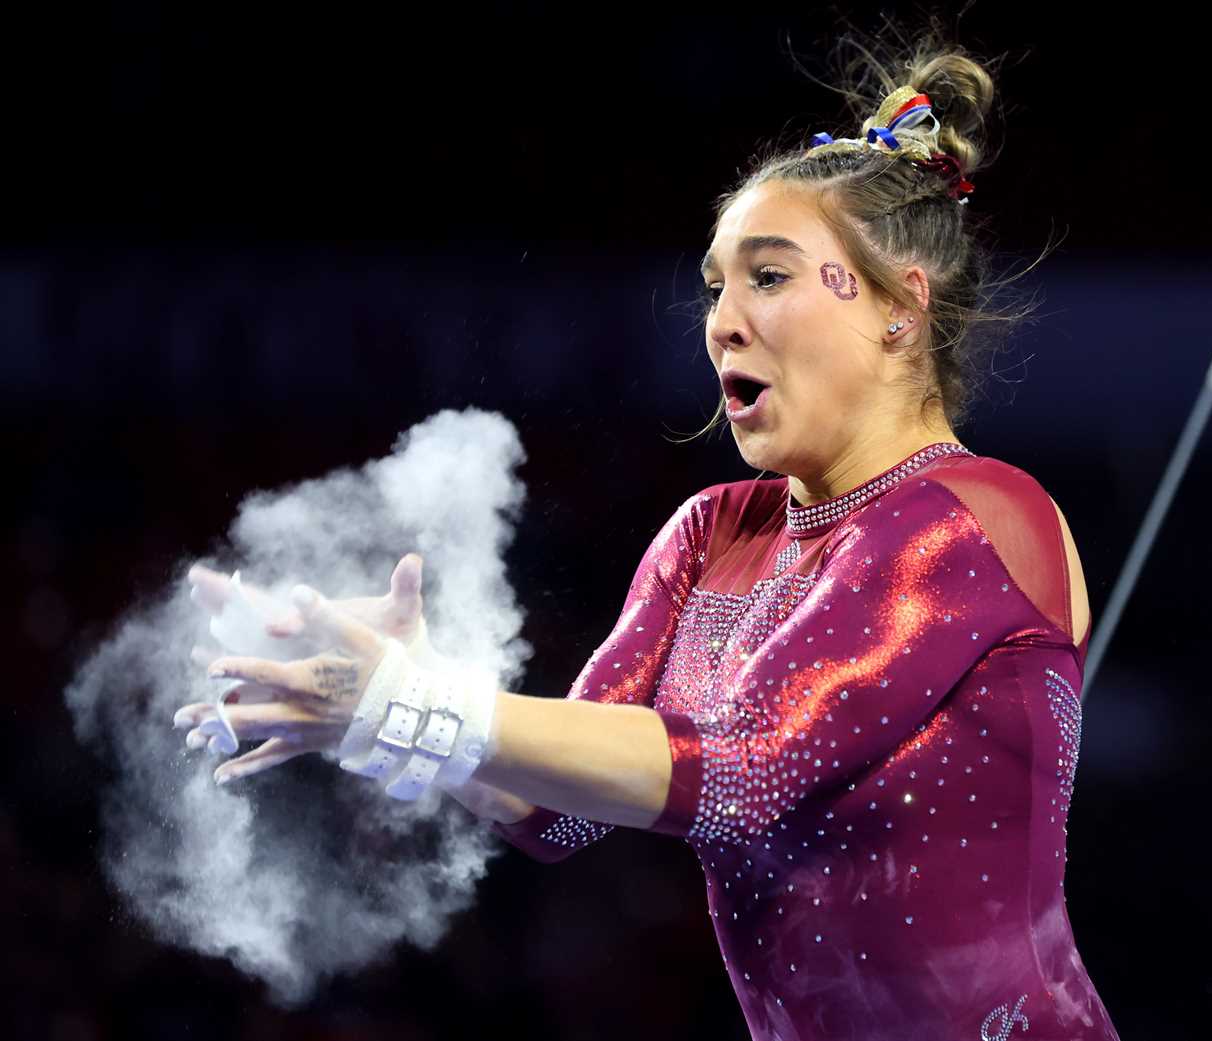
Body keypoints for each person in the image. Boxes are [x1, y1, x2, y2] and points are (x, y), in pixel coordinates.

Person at [174, 26, 1122, 1041]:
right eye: (716, 286)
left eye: (767, 278)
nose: (719, 319)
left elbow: (746, 769)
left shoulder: (974, 517)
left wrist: (422, 706)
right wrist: (394, 700)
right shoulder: (711, 534)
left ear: (898, 310)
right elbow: (558, 811)